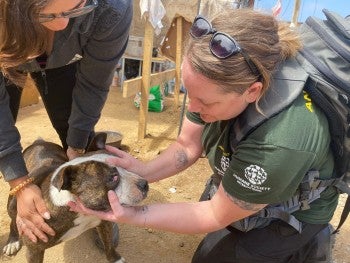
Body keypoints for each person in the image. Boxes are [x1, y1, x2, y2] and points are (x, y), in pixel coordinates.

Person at [68, 8, 337, 262]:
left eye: (205, 103)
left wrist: (132, 215)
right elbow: (186, 147)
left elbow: (215, 214)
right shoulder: (214, 85)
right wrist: (142, 171)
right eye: (189, 93)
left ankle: (311, 242)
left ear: (252, 92)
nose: (193, 109)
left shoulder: (281, 140)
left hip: (293, 210)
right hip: (251, 177)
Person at [0, 0, 132, 245]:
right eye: (45, 15)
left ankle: (97, 212)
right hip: (6, 53)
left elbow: (93, 84)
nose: (63, 24)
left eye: (78, 6)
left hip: (65, 61)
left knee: (72, 126)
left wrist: (78, 145)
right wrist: (19, 182)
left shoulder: (112, 8)